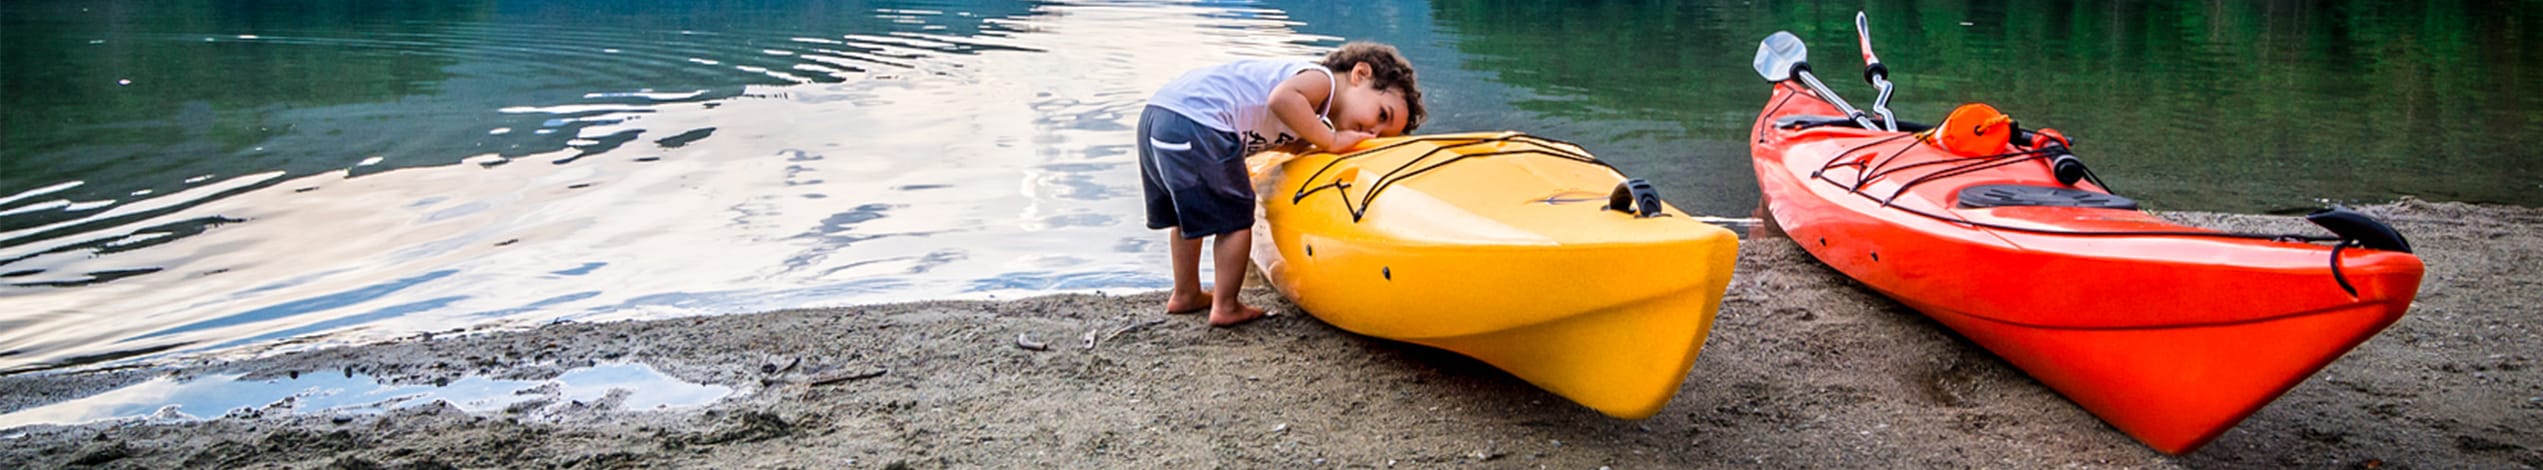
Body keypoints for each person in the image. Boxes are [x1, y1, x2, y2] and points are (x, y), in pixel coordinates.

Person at [1138, 42, 1426, 326]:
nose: (1372, 132)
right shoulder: (1321, 81)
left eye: (1383, 134)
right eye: (1381, 115)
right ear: (1360, 74)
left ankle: (1185, 293)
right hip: (1199, 121)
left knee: (1183, 215)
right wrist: (1331, 140)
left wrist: (1302, 145)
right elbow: (1281, 100)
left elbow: (1276, 120)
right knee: (1236, 222)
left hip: (1161, 115)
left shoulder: (1310, 108)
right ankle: (1226, 306)